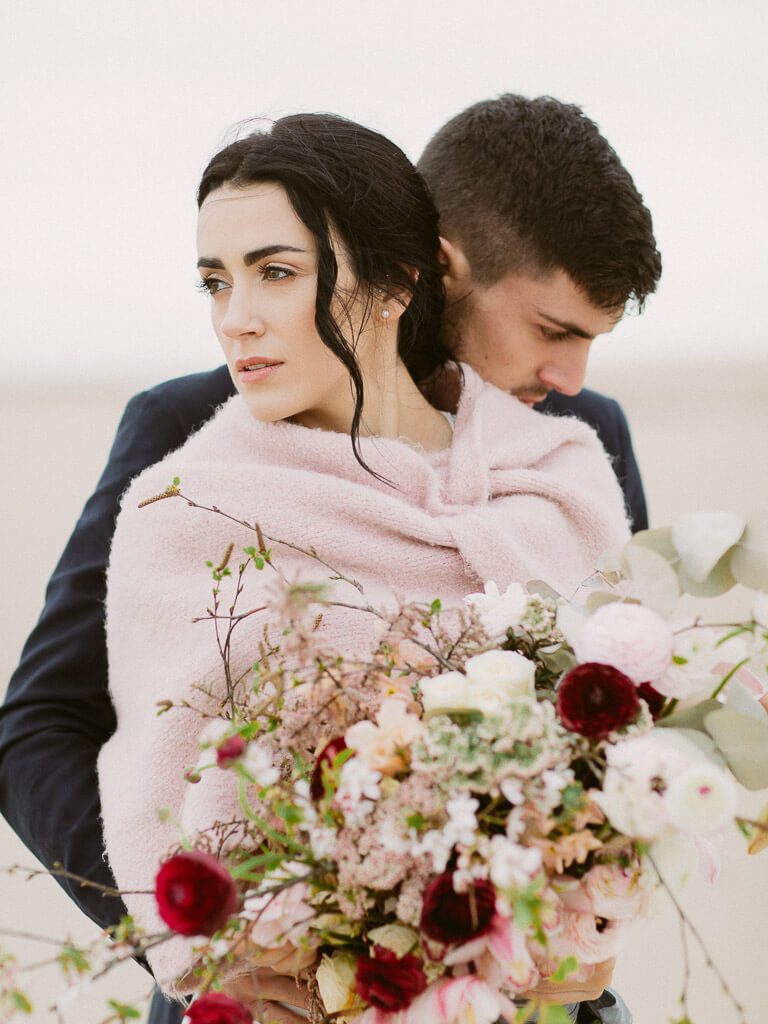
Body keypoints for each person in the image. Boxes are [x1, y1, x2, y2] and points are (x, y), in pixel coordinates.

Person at [0, 96, 660, 1024]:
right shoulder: (185, 438)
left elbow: (623, 725)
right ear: (433, 271)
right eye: (553, 330)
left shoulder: (576, 447)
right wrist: (206, 936)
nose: (572, 378)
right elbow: (42, 725)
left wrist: (586, 915)